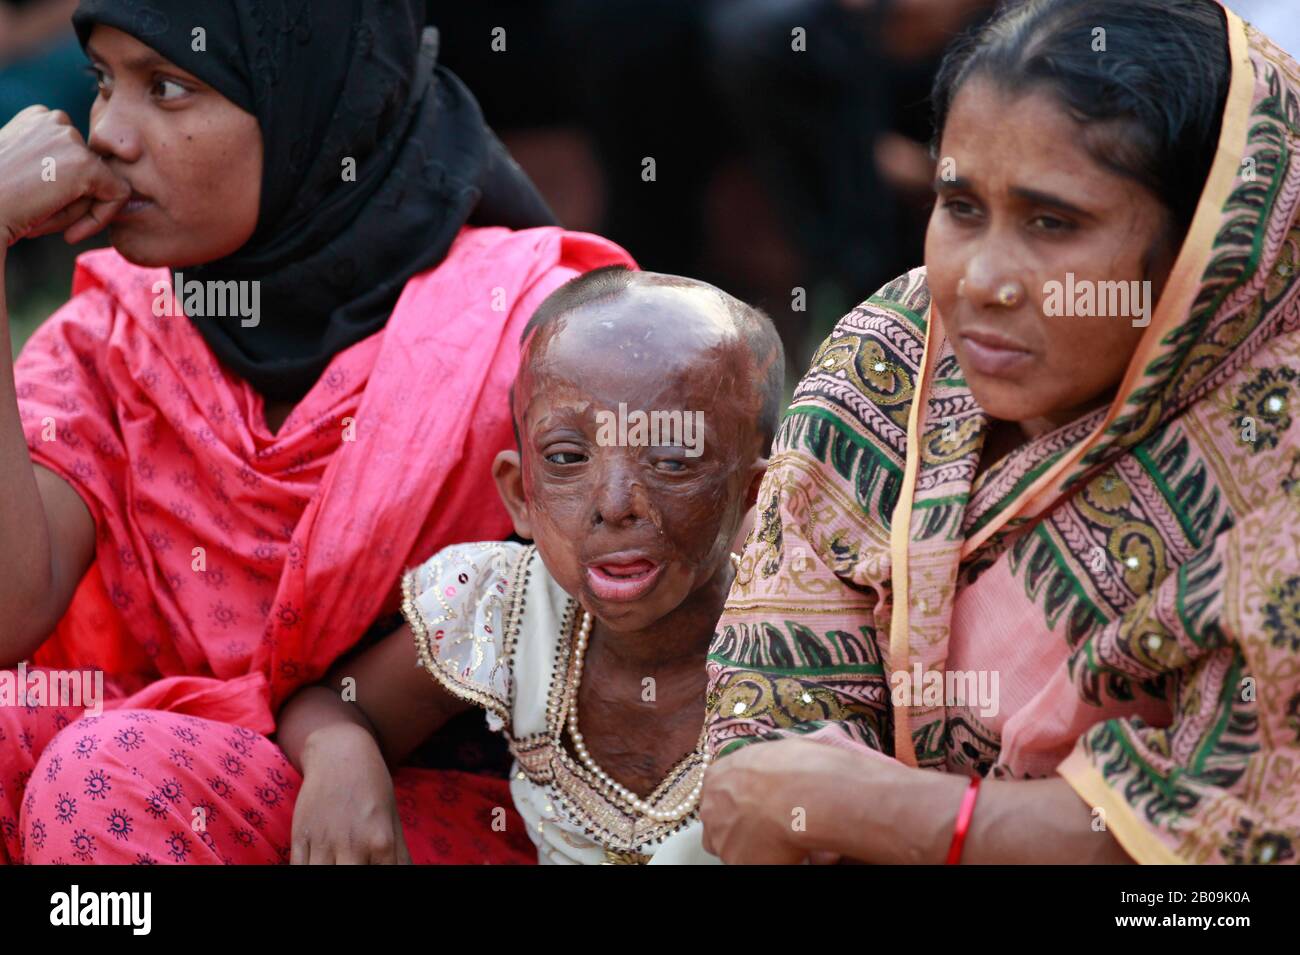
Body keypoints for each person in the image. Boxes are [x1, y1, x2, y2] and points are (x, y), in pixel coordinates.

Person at [0, 0, 634, 864]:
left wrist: (338, 734)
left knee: (105, 776)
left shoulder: (518, 337)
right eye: (103, 82)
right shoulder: (115, 326)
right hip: (174, 768)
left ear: (315, 105)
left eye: (169, 88)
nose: (108, 131)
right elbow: (10, 611)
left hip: (429, 812)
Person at [699, 0, 1300, 864]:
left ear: (1214, 248)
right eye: (961, 205)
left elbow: (1222, 866)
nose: (980, 281)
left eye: (1053, 222)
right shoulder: (898, 353)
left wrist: (887, 810)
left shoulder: (1275, 451)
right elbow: (765, 755)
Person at [276, 267, 783, 864]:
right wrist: (340, 752)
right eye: (568, 457)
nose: (615, 504)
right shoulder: (506, 608)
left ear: (752, 495)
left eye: (671, 461)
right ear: (520, 494)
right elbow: (341, 703)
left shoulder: (801, 641)